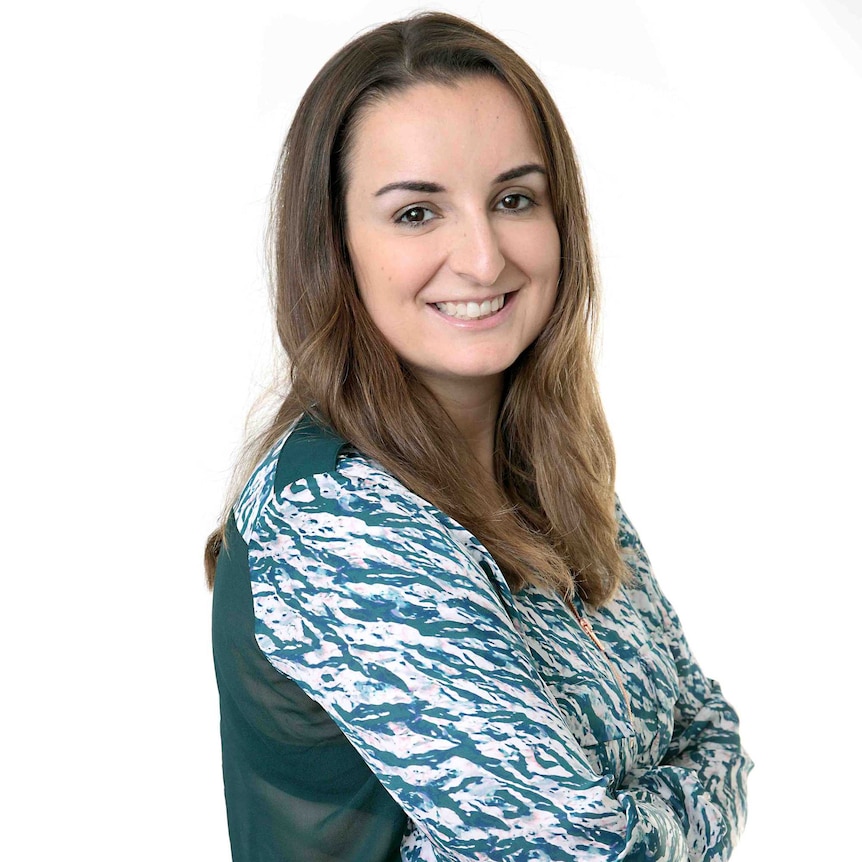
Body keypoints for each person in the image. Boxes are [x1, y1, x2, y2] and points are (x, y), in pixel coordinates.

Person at [206, 11, 752, 861]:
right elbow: (584, 853)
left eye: (512, 199)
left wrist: (657, 802)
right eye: (418, 213)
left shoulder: (550, 473)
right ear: (336, 246)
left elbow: (716, 730)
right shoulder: (340, 518)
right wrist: (674, 799)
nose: (484, 258)